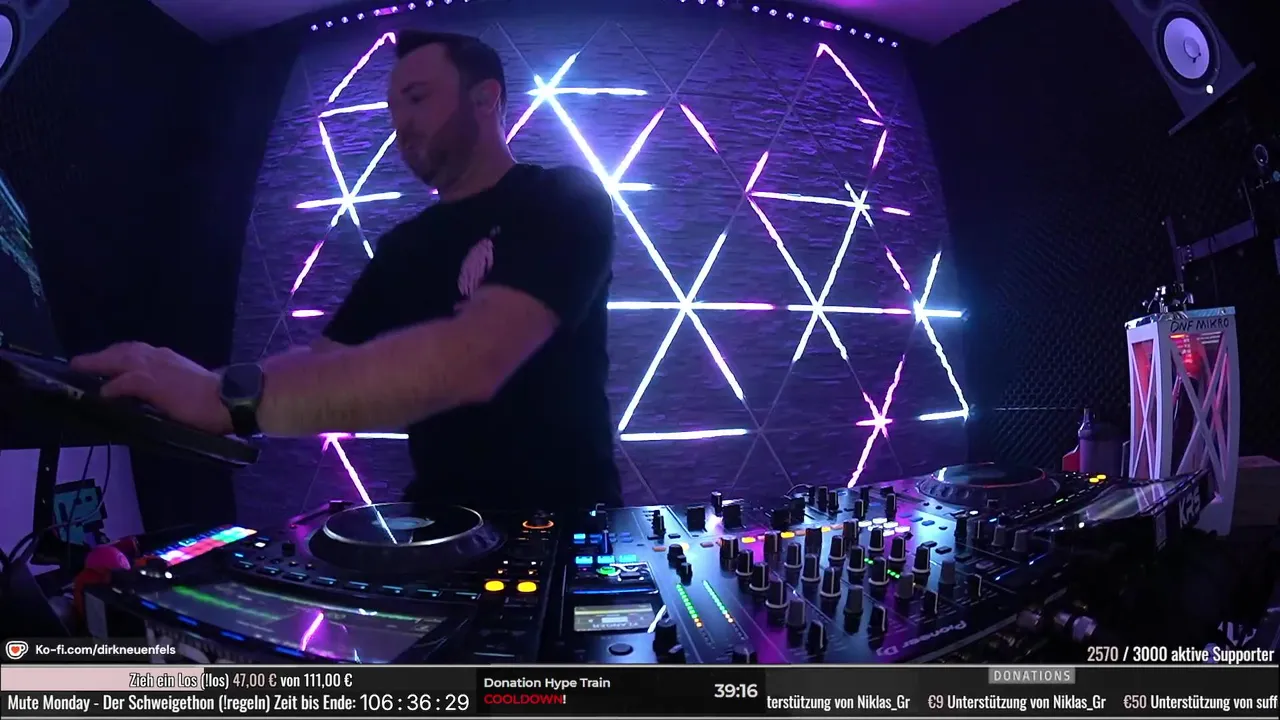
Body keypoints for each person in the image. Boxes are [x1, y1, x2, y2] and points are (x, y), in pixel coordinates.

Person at [71, 31, 622, 511]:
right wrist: (210, 383)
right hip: (440, 526)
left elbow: (475, 359)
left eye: (417, 98)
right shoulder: (404, 245)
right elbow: (325, 362)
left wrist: (228, 404)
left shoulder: (562, 198)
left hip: (569, 524)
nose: (401, 124)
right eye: (393, 108)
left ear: (485, 98)